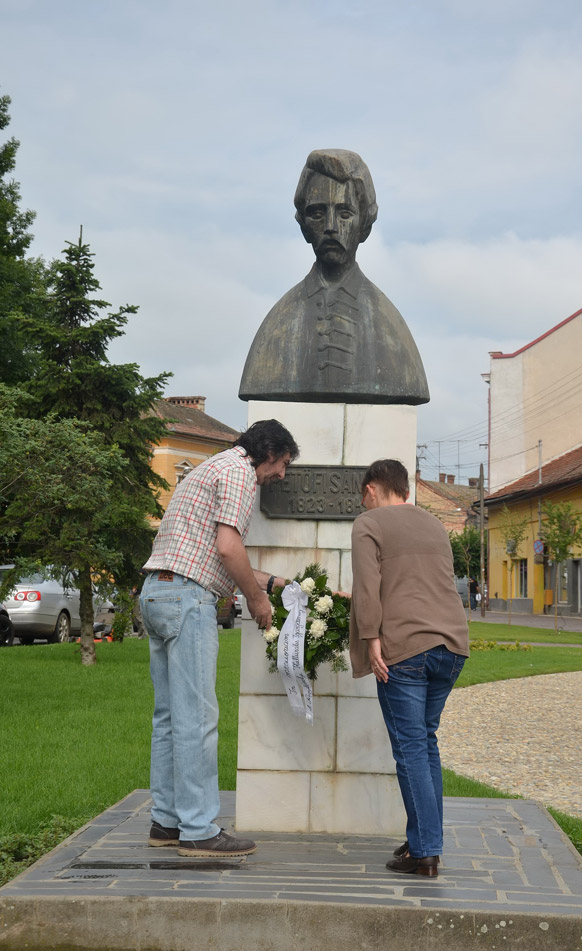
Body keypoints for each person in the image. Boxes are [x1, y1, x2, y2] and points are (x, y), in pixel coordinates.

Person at [140, 419, 299, 858]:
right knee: (197, 717)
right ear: (268, 453)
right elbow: (230, 550)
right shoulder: (240, 473)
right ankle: (199, 830)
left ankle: (167, 822)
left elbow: (218, 554)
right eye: (283, 463)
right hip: (188, 599)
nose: (282, 475)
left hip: (158, 592)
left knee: (170, 717)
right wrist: (257, 601)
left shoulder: (213, 468)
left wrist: (277, 585)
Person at [349, 459, 469, 876]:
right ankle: (424, 838)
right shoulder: (435, 524)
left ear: (371, 489)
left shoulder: (369, 523)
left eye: (362, 496)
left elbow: (368, 586)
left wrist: (372, 640)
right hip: (451, 645)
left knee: (411, 748)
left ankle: (424, 853)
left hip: (405, 648)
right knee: (425, 741)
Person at [239, 149, 429, 405]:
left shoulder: (391, 328)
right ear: (304, 227)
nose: (330, 226)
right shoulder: (277, 325)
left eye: (344, 213)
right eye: (317, 213)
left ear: (365, 225)